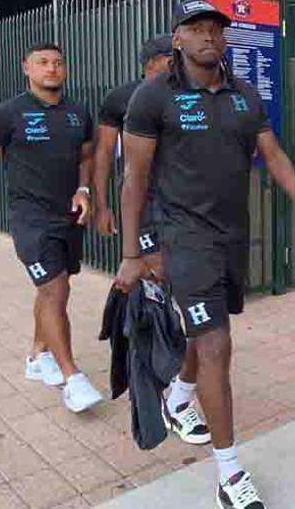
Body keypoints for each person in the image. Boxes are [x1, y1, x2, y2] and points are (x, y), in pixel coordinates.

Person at [120, 0, 295, 509]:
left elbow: (273, 153)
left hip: (232, 235)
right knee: (216, 344)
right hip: (184, 239)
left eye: (215, 28)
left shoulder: (243, 95)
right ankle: (230, 474)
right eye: (196, 28)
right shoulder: (153, 97)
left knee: (205, 331)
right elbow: (134, 178)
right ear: (178, 39)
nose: (208, 35)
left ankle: (179, 396)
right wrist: (133, 252)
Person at [0, 43, 104, 413]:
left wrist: (83, 190)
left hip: (69, 216)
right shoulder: (6, 115)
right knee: (55, 288)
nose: (52, 68)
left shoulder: (78, 113)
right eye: (42, 62)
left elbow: (85, 157)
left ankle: (37, 355)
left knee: (53, 290)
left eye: (58, 62)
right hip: (30, 219)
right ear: (26, 69)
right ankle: (72, 378)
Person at [93, 35, 209, 445]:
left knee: (195, 310)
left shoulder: (193, 95)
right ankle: (168, 396)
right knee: (161, 304)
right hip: (145, 214)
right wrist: (101, 203)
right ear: (152, 63)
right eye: (171, 60)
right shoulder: (123, 99)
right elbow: (104, 155)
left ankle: (175, 388)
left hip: (187, 214)